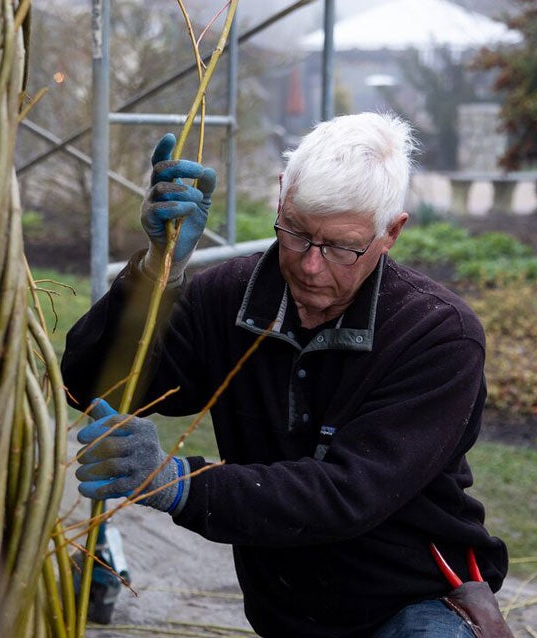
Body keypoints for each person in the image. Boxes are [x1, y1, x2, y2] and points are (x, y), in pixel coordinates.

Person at [61, 112, 509, 637]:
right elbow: (94, 385)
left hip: (417, 605)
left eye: (342, 247)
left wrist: (179, 483)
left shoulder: (436, 334)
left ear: (391, 232)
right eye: (296, 233)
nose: (311, 265)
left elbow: (347, 493)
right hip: (288, 613)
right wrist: (158, 274)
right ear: (281, 199)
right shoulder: (229, 299)